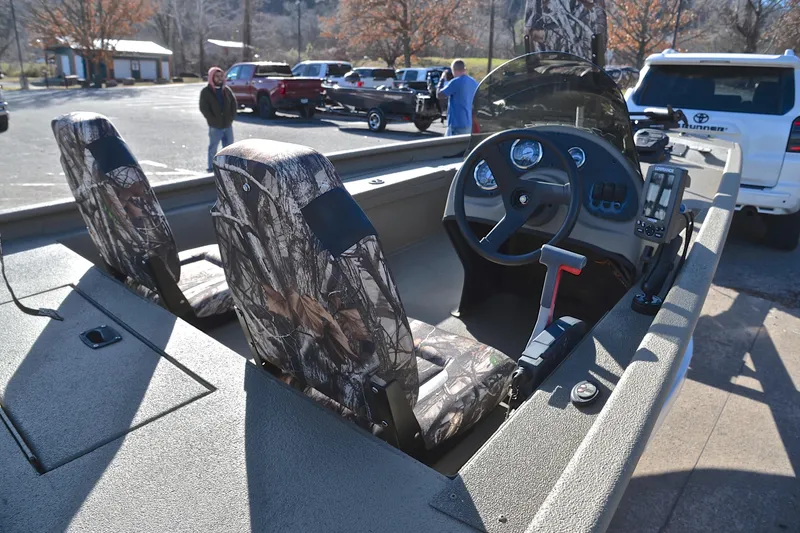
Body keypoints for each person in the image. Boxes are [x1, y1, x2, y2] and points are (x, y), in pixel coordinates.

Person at [199, 66, 237, 172]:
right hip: (215, 126)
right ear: (211, 77)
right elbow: (204, 108)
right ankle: (211, 168)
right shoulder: (206, 91)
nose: (220, 78)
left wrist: (231, 118)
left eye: (221, 76)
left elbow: (234, 104)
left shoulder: (226, 90)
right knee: (213, 148)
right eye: (217, 76)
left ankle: (228, 168)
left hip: (227, 125)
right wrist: (212, 120)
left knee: (229, 148)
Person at [439, 60, 479, 136]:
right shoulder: (474, 82)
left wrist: (442, 79)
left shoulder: (455, 82)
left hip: (456, 125)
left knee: (449, 143)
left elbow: (439, 95)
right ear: (464, 69)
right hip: (468, 123)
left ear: (453, 70)